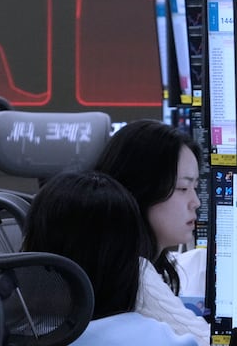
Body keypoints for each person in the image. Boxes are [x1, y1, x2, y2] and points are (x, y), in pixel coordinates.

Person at [22, 170, 196, 346]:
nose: (196, 202)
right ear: (127, 264)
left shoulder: (12, 332)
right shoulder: (158, 338)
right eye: (181, 188)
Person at [93, 118, 210, 345]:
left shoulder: (108, 260)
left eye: (195, 188)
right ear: (141, 188)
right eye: (183, 188)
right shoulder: (134, 273)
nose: (195, 202)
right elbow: (210, 342)